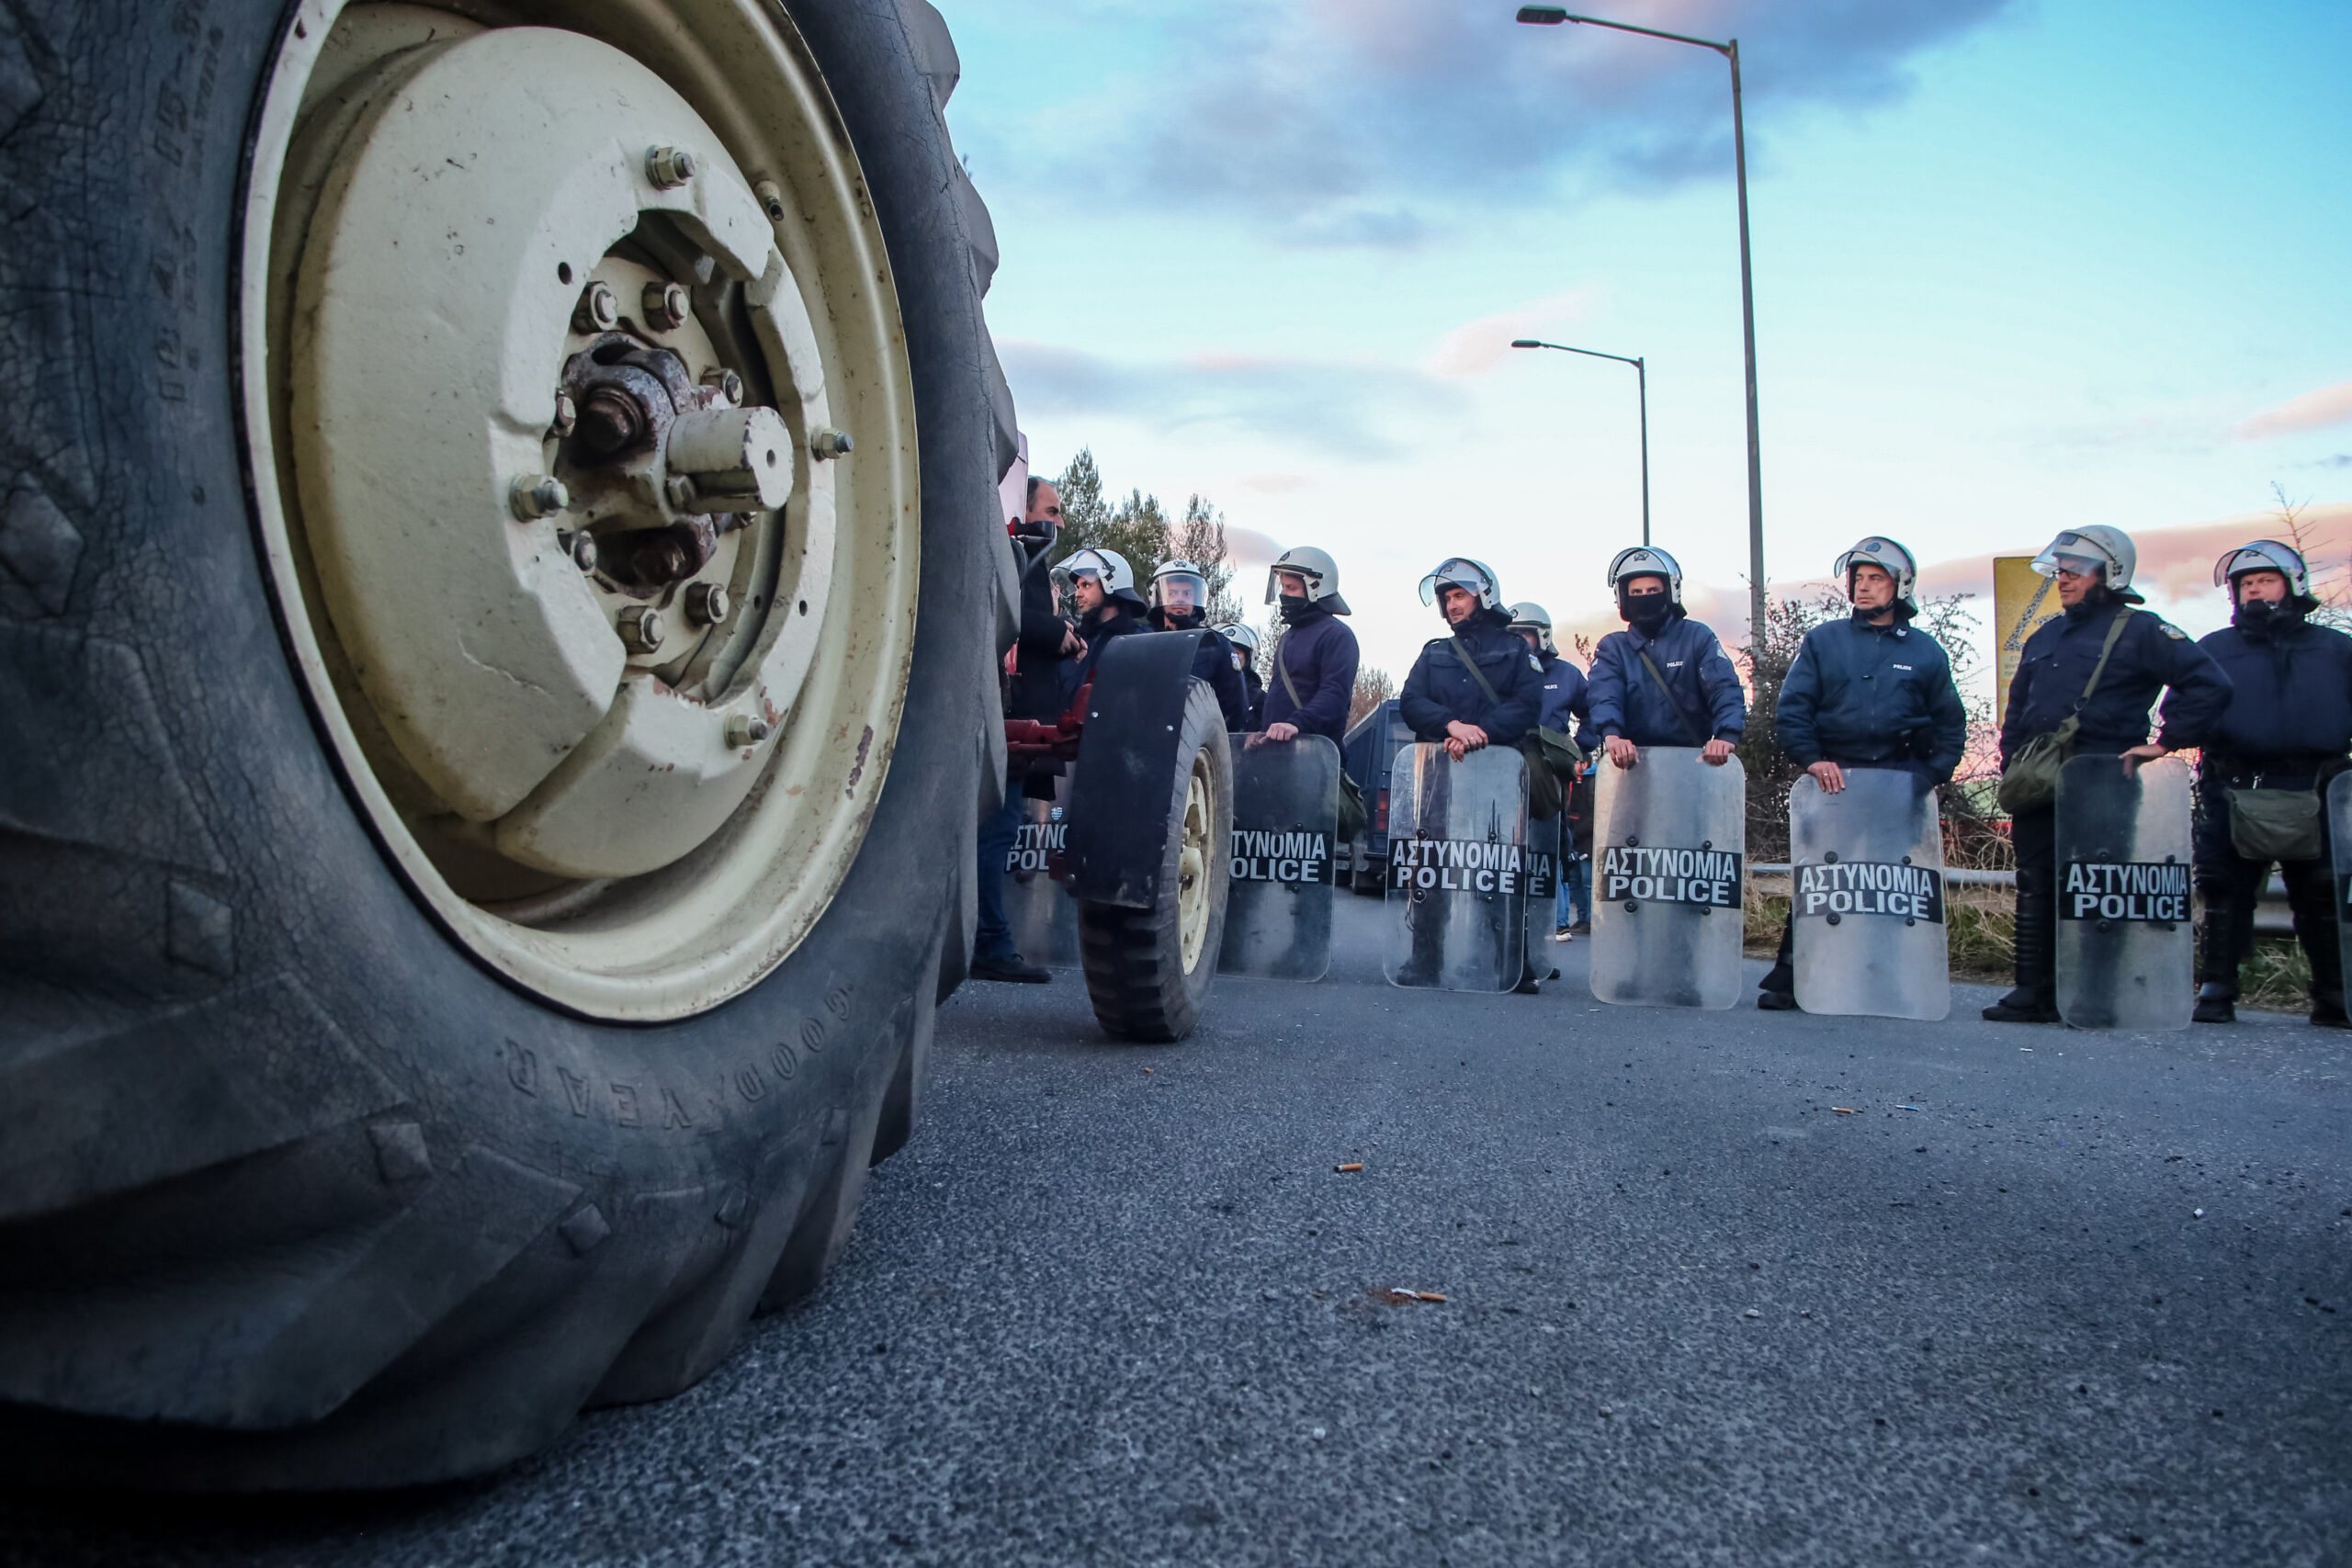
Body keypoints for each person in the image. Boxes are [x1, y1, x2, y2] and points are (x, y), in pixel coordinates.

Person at [1984, 525, 2232, 1023]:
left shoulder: (2143, 630)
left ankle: (2097, 990)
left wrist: (2165, 741)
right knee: (2035, 881)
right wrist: (2012, 763)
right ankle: (2033, 990)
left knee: (2097, 884)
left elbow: (2209, 683)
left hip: (2104, 776)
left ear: (2111, 572)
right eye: (2062, 569)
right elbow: (2020, 709)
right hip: (2040, 776)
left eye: (2077, 569)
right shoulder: (2045, 634)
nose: (2064, 577)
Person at [1754, 536, 1967, 1010]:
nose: (1863, 588)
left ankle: (1889, 970)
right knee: (1822, 878)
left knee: (1893, 884)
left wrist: (1928, 776)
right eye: (1858, 579)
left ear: (1900, 585)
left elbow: (1951, 724)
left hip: (1898, 779)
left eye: (1875, 579)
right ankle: (1795, 975)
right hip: (1835, 777)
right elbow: (1793, 710)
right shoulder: (1823, 641)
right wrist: (1812, 759)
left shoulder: (1926, 652)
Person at [2188, 539, 2352, 1027]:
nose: (2255, 590)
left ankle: (2334, 993)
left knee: (2322, 896)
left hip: (2318, 786)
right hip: (2234, 784)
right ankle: (2217, 989)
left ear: (2293, 584)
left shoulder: (2336, 649)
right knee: (2224, 892)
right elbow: (2186, 706)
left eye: (2265, 581)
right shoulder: (2214, 649)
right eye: (2246, 584)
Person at [1399, 557, 1545, 992]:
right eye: (1445, 598)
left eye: (1459, 595)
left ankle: (1512, 966)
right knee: (1434, 868)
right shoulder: (1434, 652)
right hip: (1443, 776)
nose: (1451, 605)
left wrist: (1481, 734)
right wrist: (1452, 726)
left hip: (1498, 778)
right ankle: (1425, 961)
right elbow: (1410, 702)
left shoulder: (1517, 649)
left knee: (1498, 868)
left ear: (1484, 595)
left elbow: (1527, 705)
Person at [971, 476, 1082, 984]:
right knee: (996, 831)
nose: (1059, 523)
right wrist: (1057, 631)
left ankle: (983, 938)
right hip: (1009, 724)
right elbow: (1004, 612)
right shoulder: (1012, 556)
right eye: (1052, 511)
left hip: (1014, 724)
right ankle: (987, 942)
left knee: (997, 831)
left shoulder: (1030, 564)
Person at [1584, 547, 1745, 768]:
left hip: (1692, 762)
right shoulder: (1613, 647)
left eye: (1652, 590)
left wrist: (1726, 735)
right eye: (1636, 592)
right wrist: (1612, 735)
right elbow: (1604, 694)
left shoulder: (1697, 637)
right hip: (1631, 766)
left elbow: (1723, 687)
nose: (1645, 597)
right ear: (1623, 597)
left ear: (1670, 592)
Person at [1258, 547, 1359, 746]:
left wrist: (1297, 724)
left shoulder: (1337, 635)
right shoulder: (1287, 637)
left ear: (1316, 588)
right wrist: (1260, 733)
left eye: (1291, 588)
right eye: (1283, 587)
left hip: (1315, 754)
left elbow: (1335, 695)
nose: (1283, 594)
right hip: (1277, 752)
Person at [1146, 559, 1249, 730]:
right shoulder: (1143, 640)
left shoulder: (1215, 645)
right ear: (1158, 596)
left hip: (1196, 743)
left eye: (1187, 594)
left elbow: (1235, 706)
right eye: (1172, 593)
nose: (1179, 599)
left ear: (1197, 598)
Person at [1054, 546, 1147, 693]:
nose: (1078, 594)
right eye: (1077, 587)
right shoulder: (1077, 643)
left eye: (1086, 585)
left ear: (1110, 584)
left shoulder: (1142, 642)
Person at [1219, 623, 1266, 731]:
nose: (1231, 656)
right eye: (1226, 651)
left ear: (1249, 658)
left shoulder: (1260, 699)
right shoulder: (1206, 693)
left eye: (1236, 652)